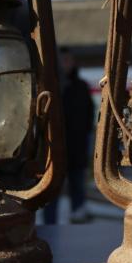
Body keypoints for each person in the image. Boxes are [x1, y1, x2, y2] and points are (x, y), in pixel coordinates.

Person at [42, 47, 94, 224]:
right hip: (55, 147)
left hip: (76, 147)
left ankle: (78, 219)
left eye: (69, 60)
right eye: (63, 61)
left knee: (77, 185)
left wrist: (86, 142)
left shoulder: (81, 87)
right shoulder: (51, 87)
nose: (66, 65)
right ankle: (50, 223)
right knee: (52, 188)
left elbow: (89, 117)